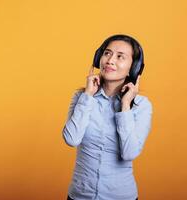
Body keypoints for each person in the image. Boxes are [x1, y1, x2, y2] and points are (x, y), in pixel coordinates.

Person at [62, 34, 153, 200]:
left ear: (133, 68)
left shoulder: (142, 106)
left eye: (120, 57)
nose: (110, 60)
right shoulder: (81, 97)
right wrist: (87, 97)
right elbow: (71, 139)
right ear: (99, 58)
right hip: (80, 195)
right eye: (107, 53)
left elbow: (129, 153)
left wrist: (125, 107)